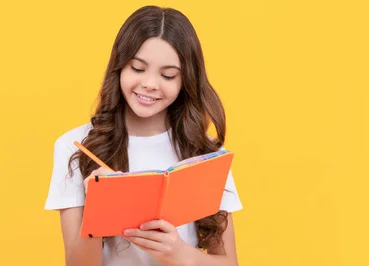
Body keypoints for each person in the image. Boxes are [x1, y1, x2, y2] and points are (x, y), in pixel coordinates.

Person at [44, 5, 243, 266]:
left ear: (186, 81)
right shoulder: (78, 147)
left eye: (168, 75)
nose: (150, 83)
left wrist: (179, 253)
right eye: (138, 68)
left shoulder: (204, 153)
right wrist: (98, 207)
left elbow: (230, 263)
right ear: (119, 67)